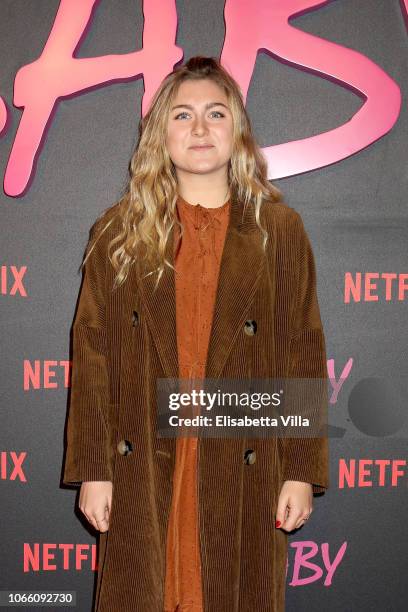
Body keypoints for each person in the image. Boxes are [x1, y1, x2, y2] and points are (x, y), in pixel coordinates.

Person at [63, 56, 329, 612]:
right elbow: (92, 354)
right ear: (162, 132)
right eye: (183, 115)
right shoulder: (120, 232)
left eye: (216, 113)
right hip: (146, 461)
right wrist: (94, 470)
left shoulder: (279, 232)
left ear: (238, 130)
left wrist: (301, 471)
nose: (201, 129)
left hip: (241, 458)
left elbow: (304, 348)